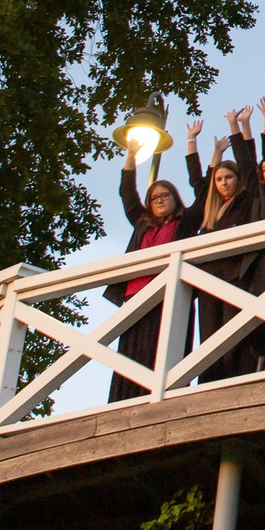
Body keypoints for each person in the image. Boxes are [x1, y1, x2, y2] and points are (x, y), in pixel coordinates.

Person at [188, 106, 265, 379]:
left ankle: (240, 379)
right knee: (211, 333)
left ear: (237, 181)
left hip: (238, 274)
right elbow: (197, 182)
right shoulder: (211, 211)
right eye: (219, 179)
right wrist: (193, 142)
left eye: (228, 178)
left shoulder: (246, 200)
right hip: (210, 277)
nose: (223, 183)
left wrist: (239, 128)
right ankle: (209, 381)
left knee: (236, 331)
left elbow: (249, 165)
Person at [109, 140, 197, 398]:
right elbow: (127, 193)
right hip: (136, 295)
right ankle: (124, 400)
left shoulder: (186, 222)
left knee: (161, 350)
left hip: (169, 296)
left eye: (164, 195)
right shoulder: (142, 223)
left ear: (174, 198)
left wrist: (193, 145)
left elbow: (203, 195)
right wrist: (132, 154)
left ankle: (162, 396)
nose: (159, 200)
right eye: (154, 198)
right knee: (132, 353)